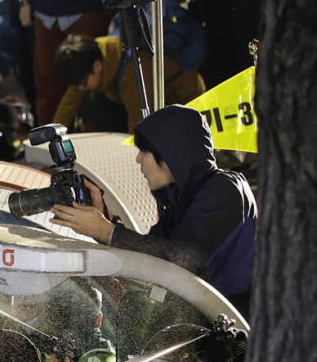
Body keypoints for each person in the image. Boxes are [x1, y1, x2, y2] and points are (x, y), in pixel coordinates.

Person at [50, 104, 256, 310]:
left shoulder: (224, 189)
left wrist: (107, 231)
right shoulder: (181, 199)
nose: (138, 159)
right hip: (208, 322)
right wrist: (104, 219)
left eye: (144, 151)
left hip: (241, 330)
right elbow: (148, 252)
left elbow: (181, 258)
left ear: (170, 154)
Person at [52, 34, 205, 132]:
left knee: (97, 105)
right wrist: (50, 138)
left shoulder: (133, 73)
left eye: (84, 83)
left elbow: (139, 124)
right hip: (141, 102)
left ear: (97, 66)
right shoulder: (97, 51)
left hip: (183, 101)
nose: (81, 88)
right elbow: (69, 102)